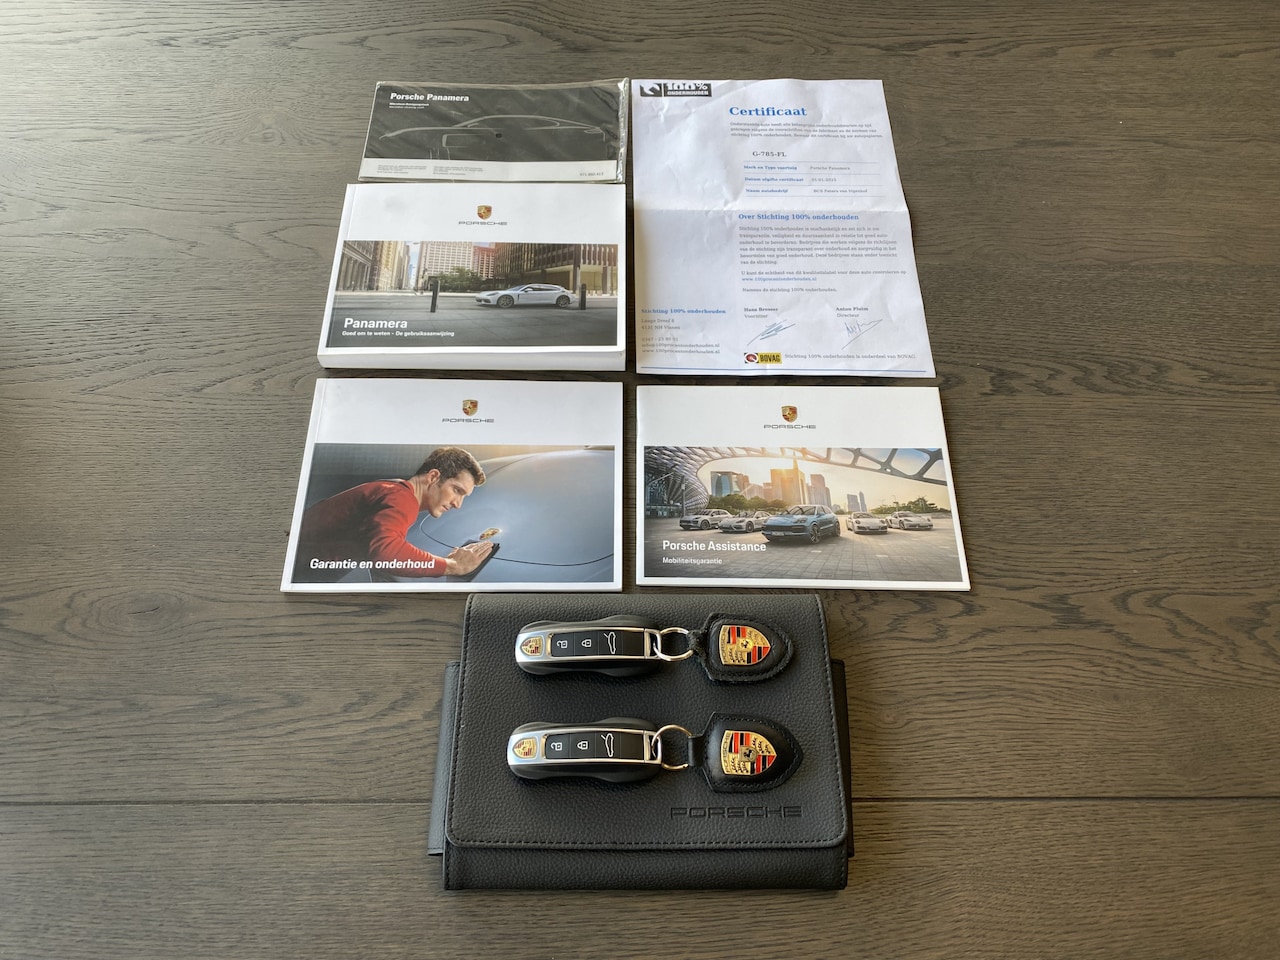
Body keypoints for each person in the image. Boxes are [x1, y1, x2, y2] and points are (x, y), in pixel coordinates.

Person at [293, 446, 492, 582]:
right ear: (433, 477)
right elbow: (386, 553)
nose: (457, 504)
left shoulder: (391, 489)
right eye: (456, 490)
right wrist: (452, 565)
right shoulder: (401, 498)